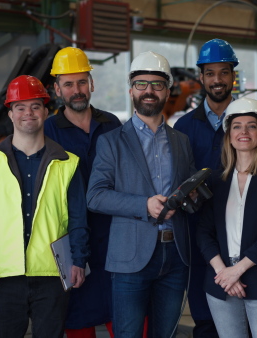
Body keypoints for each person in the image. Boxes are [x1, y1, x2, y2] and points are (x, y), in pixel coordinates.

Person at [0, 75, 89, 338]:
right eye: (20, 107)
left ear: (46, 112)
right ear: (10, 114)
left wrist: (79, 260)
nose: (28, 113)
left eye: (35, 106)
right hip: (3, 274)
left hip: (52, 274)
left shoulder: (68, 163)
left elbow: (78, 218)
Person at [86, 51, 196, 338]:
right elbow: (95, 196)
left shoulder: (181, 141)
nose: (149, 90)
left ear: (168, 90)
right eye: (141, 83)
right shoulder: (111, 142)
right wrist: (144, 205)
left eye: (157, 84)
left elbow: (189, 190)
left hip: (175, 256)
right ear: (131, 89)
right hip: (130, 259)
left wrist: (191, 197)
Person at [44, 46, 122, 338]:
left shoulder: (111, 124)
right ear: (57, 89)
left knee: (124, 314)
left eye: (81, 82)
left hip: (114, 236)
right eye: (68, 84)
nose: (76, 90)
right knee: (77, 319)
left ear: (91, 83)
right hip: (72, 240)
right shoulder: (49, 130)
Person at [196, 97, 257, 338]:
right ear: (229, 135)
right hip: (221, 282)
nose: (244, 131)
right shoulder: (215, 181)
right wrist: (224, 273)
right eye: (237, 126)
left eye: (251, 125)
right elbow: (204, 232)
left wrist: (237, 270)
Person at [173, 38, 239, 338]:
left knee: (241, 311)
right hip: (199, 230)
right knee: (204, 313)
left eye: (223, 72)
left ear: (232, 76)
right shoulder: (184, 127)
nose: (217, 80)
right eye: (210, 73)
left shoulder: (249, 122)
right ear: (201, 77)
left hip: (241, 230)